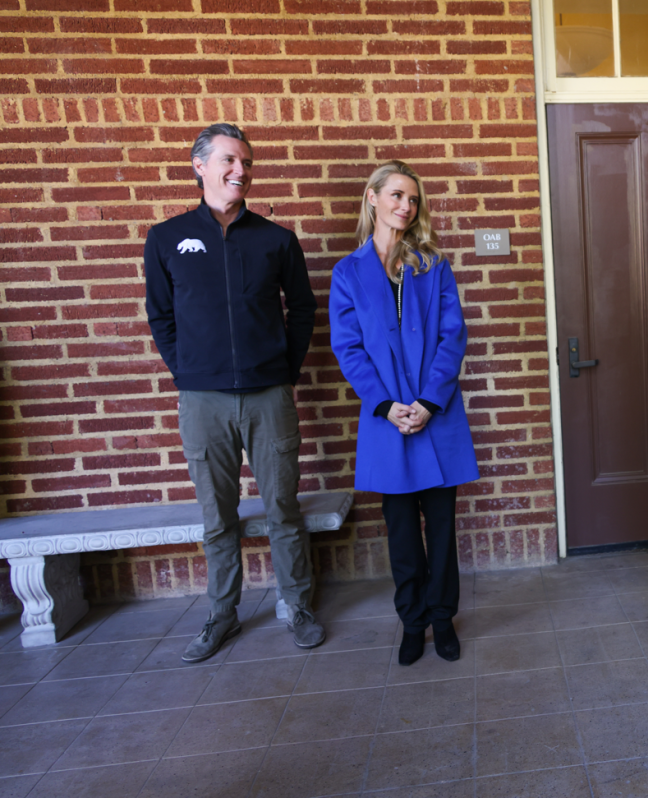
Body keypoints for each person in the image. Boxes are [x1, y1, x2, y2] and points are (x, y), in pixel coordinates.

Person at [144, 123, 322, 663]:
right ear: (199, 165)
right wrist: (187, 371)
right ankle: (223, 613)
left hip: (269, 396)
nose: (240, 170)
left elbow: (304, 309)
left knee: (283, 509)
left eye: (245, 161)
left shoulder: (276, 239)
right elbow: (161, 316)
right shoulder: (166, 238)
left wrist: (283, 370)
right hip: (202, 402)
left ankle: (298, 605)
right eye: (228, 160)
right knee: (217, 516)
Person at [329, 161, 479, 667]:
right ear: (372, 198)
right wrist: (388, 405)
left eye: (412, 199)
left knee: (440, 533)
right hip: (385, 422)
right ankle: (412, 623)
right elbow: (348, 348)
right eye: (396, 195)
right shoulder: (347, 273)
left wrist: (428, 403)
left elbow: (451, 336)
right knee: (401, 537)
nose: (405, 207)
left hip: (435, 418)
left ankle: (443, 619)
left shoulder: (432, 264)